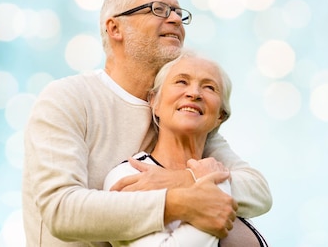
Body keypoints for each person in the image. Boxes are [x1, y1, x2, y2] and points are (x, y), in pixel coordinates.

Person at [22, 0, 272, 246]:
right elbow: (61, 210)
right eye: (158, 9)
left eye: (178, 12)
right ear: (115, 28)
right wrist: (177, 202)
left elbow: (257, 191)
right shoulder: (69, 98)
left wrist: (183, 179)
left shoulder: (180, 114)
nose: (175, 19)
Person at [103, 51, 268, 246]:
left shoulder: (219, 171)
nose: (194, 93)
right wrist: (214, 185)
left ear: (220, 116)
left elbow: (262, 195)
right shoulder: (130, 175)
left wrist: (194, 179)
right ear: (154, 101)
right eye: (181, 82)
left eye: (209, 87)